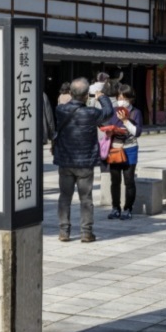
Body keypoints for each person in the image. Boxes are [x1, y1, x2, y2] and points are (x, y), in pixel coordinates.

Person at [53, 77, 113, 243]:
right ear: (87, 95)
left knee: (64, 197)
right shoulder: (92, 113)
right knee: (86, 198)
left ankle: (64, 231)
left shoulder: (60, 110)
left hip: (65, 161)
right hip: (85, 163)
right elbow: (109, 112)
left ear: (71, 93)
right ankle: (86, 232)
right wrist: (102, 97)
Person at [105, 84, 143, 221]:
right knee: (115, 181)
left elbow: (137, 132)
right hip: (115, 149)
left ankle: (128, 209)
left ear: (130, 98)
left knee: (129, 180)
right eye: (119, 98)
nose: (121, 101)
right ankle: (115, 208)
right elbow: (107, 126)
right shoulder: (113, 111)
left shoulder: (135, 113)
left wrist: (125, 121)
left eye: (124, 98)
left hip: (130, 149)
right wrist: (109, 131)